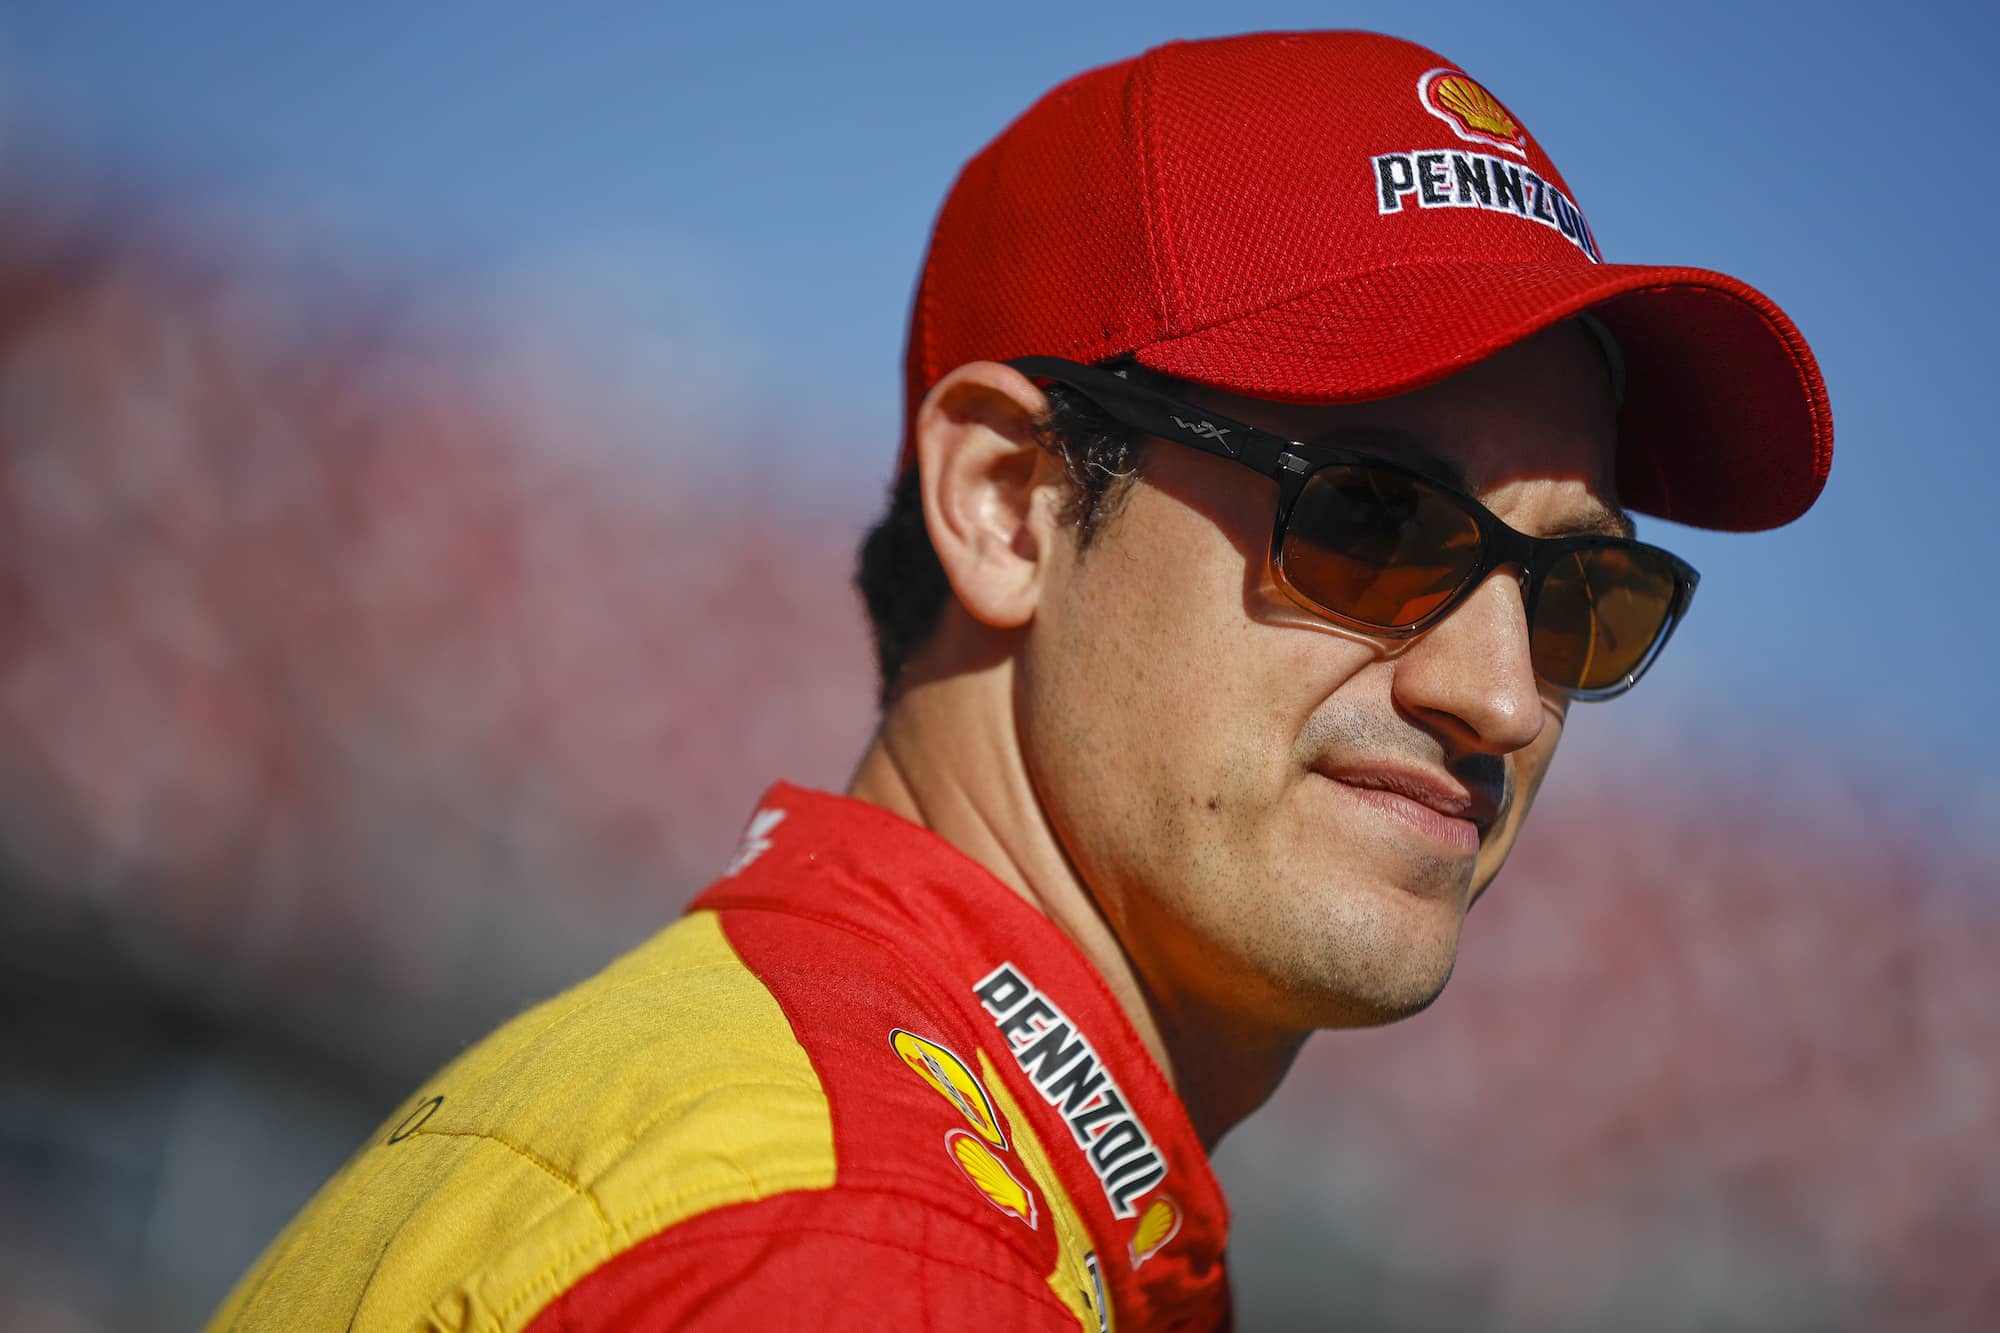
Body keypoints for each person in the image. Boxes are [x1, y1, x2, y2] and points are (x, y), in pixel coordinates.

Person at [209, 29, 1830, 1332]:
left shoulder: (778, 1114)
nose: (1504, 694)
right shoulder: (865, 1240)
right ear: (1007, 501)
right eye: (1373, 520)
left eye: (1579, 596)